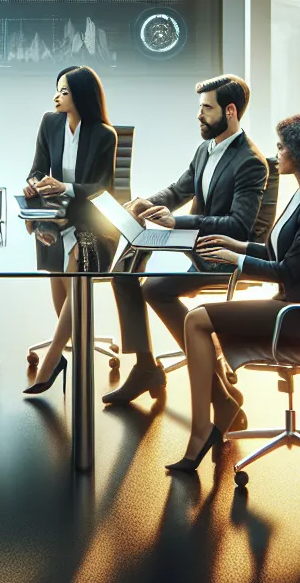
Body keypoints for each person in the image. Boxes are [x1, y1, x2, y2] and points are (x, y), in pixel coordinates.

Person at [165, 113, 300, 473]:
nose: (276, 153)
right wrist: (237, 245)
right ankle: (216, 414)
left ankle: (203, 429)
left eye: (282, 147)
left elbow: (286, 270)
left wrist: (235, 260)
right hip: (293, 304)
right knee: (199, 320)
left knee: (196, 320)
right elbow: (277, 251)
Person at [102, 74, 268, 405]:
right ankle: (145, 366)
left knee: (154, 288)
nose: (199, 115)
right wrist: (146, 203)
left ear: (230, 111)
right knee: (123, 273)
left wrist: (177, 222)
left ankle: (214, 379)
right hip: (193, 244)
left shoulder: (250, 162)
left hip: (221, 255)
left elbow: (238, 227)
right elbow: (179, 190)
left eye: (207, 108)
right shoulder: (206, 149)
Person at [22, 65, 119, 396]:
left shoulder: (104, 134)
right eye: (57, 89)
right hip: (56, 216)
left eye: (63, 91)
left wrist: (64, 187)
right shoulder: (50, 123)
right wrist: (34, 184)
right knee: (55, 257)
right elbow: (37, 169)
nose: (56, 97)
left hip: (94, 223)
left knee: (78, 256)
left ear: (80, 96)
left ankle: (53, 358)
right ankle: (71, 341)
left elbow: (101, 188)